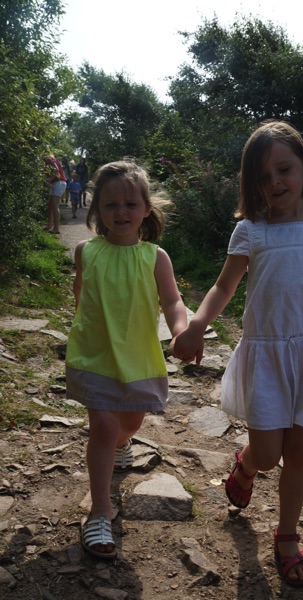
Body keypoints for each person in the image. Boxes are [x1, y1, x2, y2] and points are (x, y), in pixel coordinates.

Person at [170, 120, 303, 587]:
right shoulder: (252, 231)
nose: (275, 181)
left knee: (300, 454)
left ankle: (287, 535)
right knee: (270, 454)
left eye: (284, 169)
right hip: (268, 356)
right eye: (263, 175)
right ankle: (247, 464)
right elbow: (224, 286)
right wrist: (196, 326)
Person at [65, 159, 187, 559]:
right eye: (111, 204)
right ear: (97, 209)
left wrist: (181, 330)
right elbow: (81, 291)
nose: (121, 212)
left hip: (138, 358)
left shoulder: (155, 257)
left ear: (146, 210)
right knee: (102, 425)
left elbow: (173, 300)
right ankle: (100, 512)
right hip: (95, 355)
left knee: (129, 423)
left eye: (130, 204)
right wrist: (83, 324)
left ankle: (121, 443)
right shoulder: (86, 251)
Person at [43, 155, 67, 234]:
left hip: (59, 183)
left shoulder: (50, 158)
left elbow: (56, 170)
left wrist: (49, 180)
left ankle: (56, 228)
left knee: (54, 205)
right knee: (49, 204)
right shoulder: (48, 160)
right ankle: (49, 225)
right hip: (56, 183)